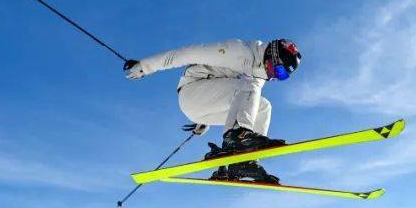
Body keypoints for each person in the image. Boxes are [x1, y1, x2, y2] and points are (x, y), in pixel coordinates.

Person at [123, 38, 302, 183]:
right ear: (271, 54)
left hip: (204, 107)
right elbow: (187, 54)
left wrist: (205, 119)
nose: (274, 77)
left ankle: (243, 161)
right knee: (249, 87)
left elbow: (235, 99)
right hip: (191, 92)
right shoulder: (238, 52)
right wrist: (146, 66)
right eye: (278, 70)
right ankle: (238, 137)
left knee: (263, 107)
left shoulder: (259, 74)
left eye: (282, 76)